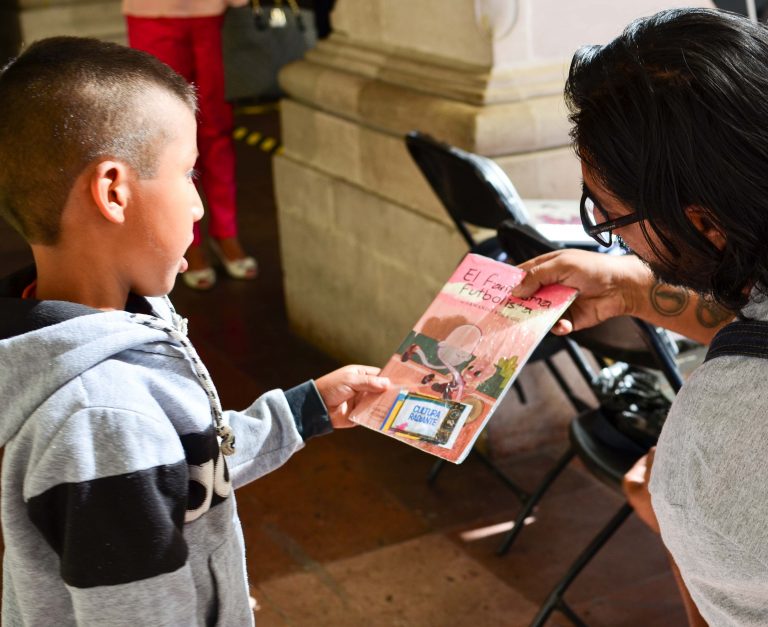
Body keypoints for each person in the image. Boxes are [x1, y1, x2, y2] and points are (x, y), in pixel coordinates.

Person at [0, 36, 389, 625]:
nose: (200, 206)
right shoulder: (103, 422)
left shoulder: (117, 324)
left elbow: (184, 466)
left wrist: (301, 412)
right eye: (188, 173)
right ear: (114, 192)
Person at [509, 8, 768, 625]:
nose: (608, 234)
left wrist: (674, 512)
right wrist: (632, 287)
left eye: (609, 216)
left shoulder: (716, 444)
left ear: (704, 225)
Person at [122, 0, 257, 290]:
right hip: (151, 14)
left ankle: (226, 231)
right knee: (165, 129)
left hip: (212, 13)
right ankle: (186, 239)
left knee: (217, 127)